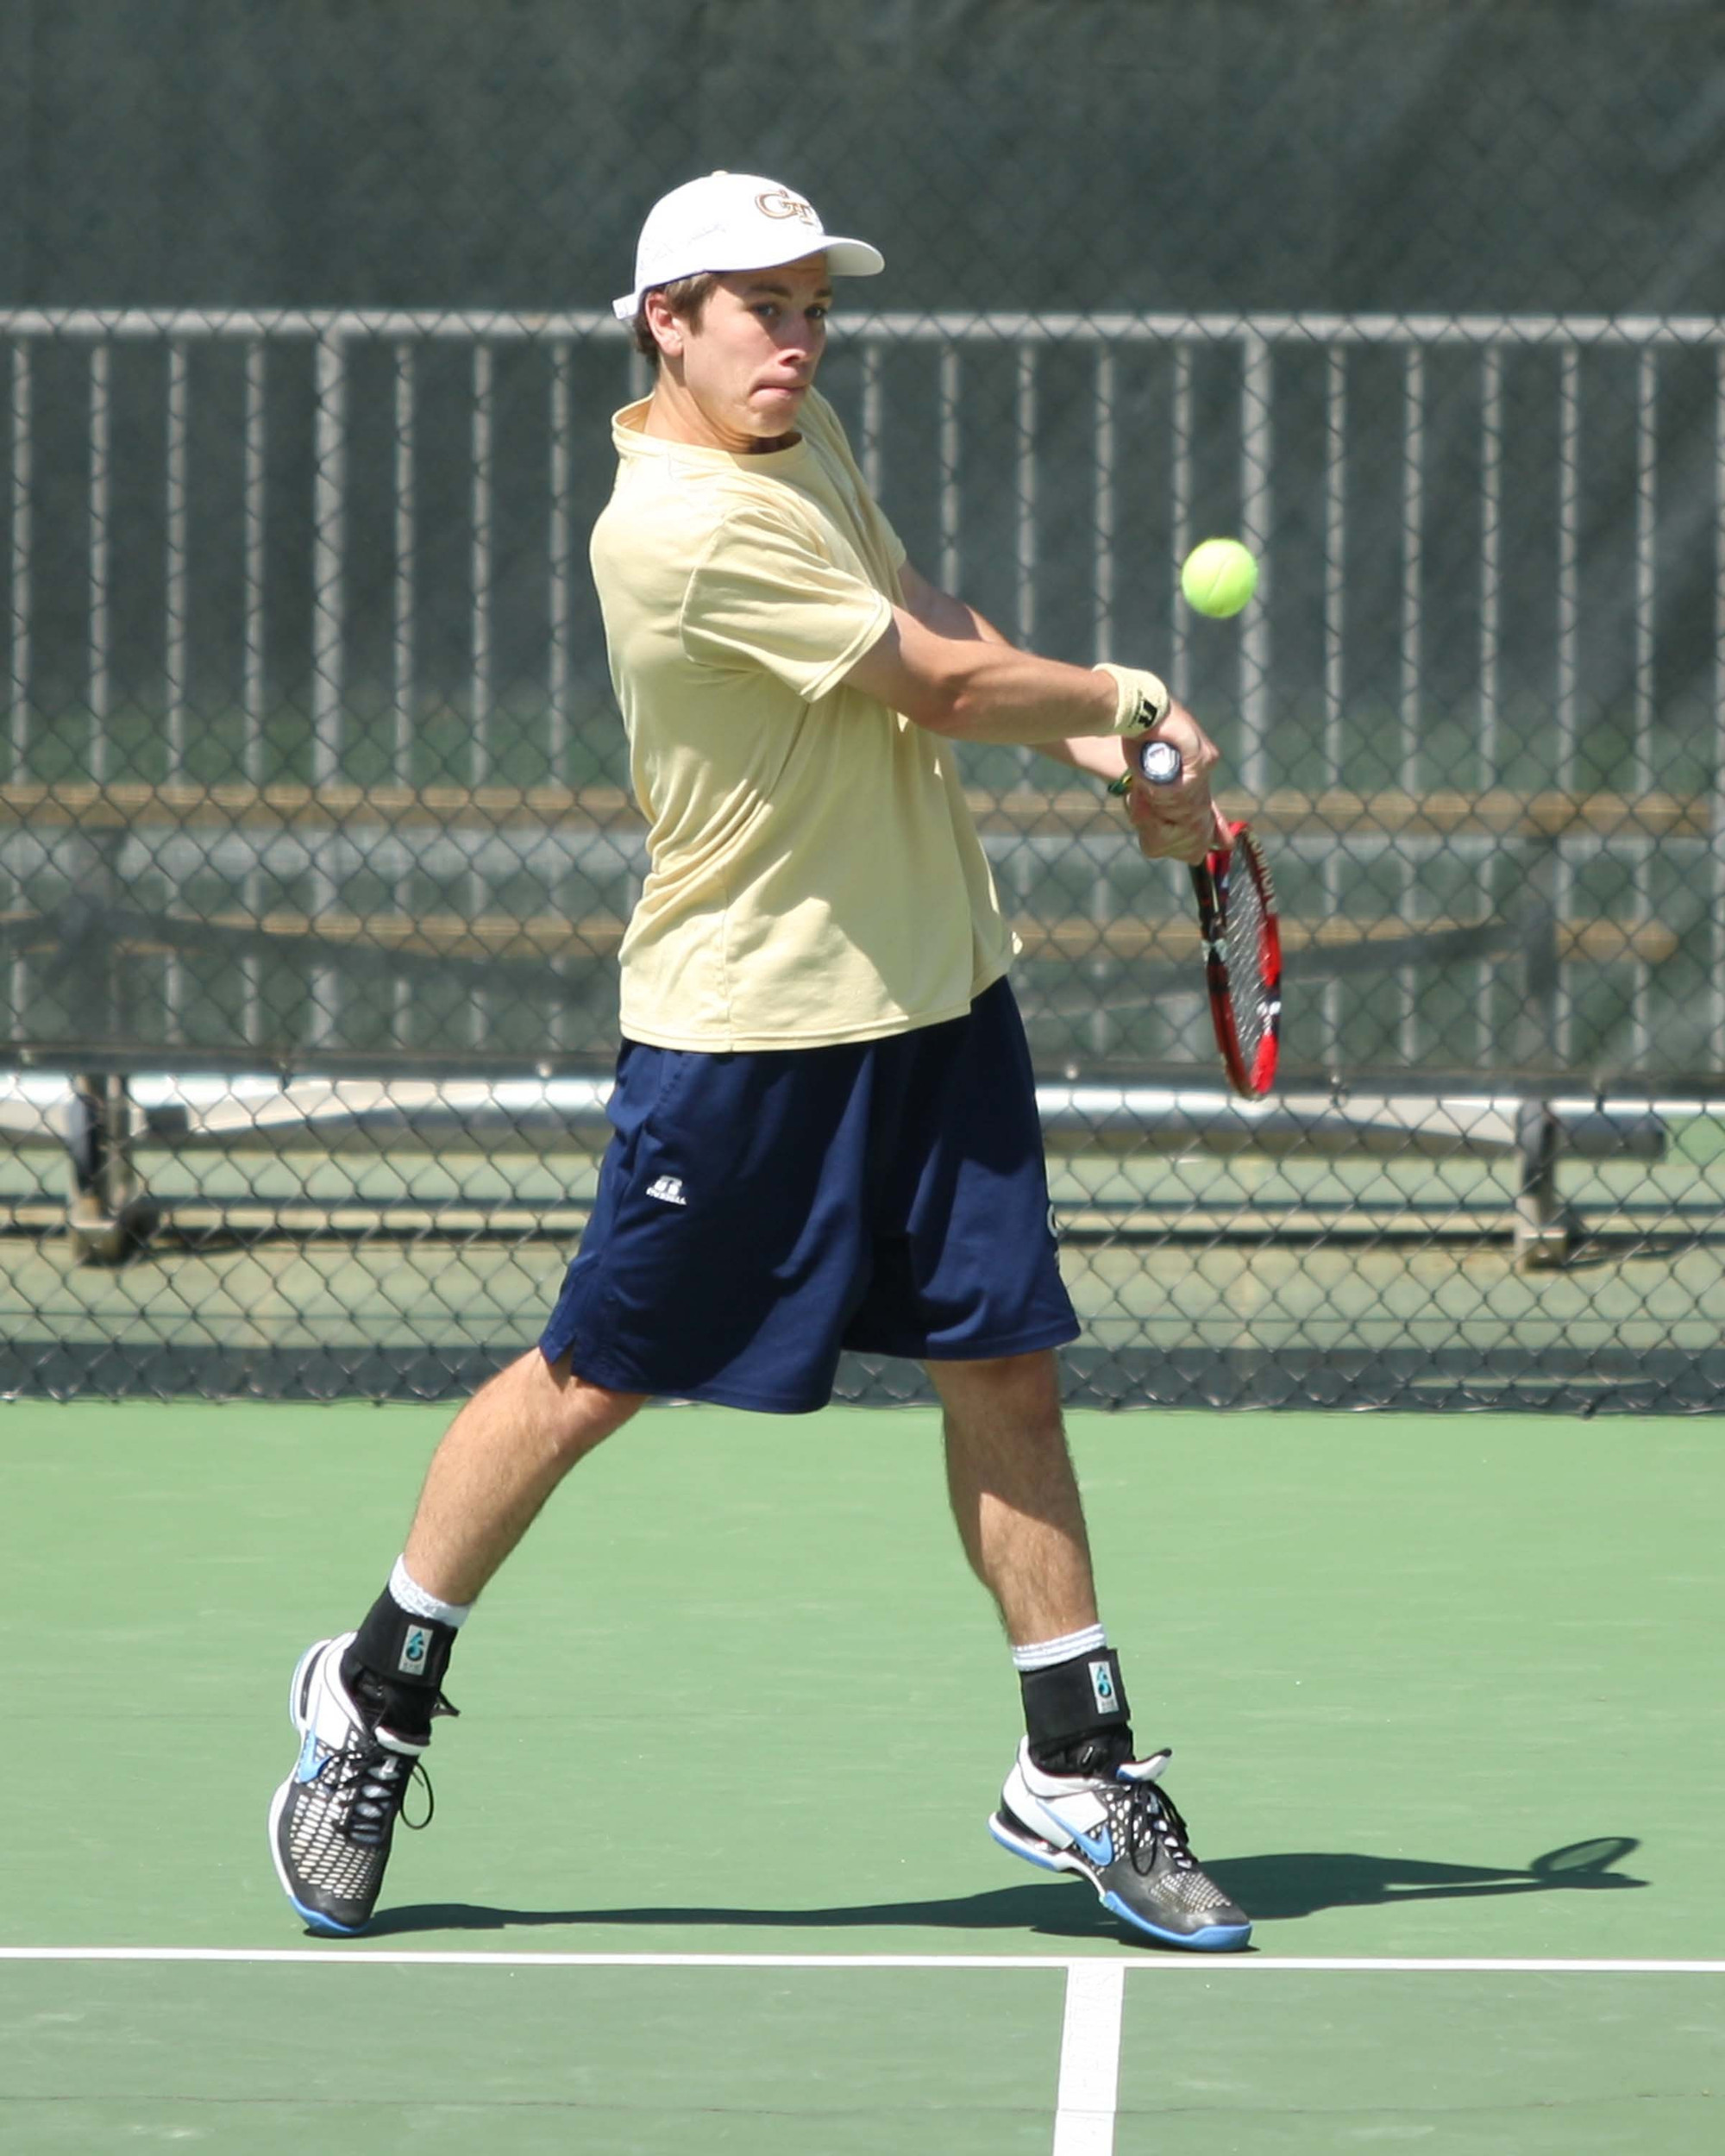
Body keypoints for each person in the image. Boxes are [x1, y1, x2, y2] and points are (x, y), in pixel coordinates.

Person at [269, 171, 1251, 1953]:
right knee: (589, 1379)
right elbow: (935, 691)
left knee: (1003, 1366)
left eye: (811, 305)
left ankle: (1077, 1764)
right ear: (668, 319)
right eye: (758, 307)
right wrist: (1125, 703)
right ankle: (374, 1697)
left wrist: (1111, 772)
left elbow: (921, 613)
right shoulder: (675, 525)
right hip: (746, 1036)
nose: (795, 338)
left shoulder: (799, 435)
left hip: (937, 997)